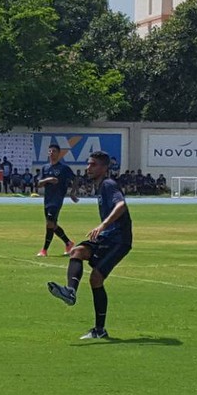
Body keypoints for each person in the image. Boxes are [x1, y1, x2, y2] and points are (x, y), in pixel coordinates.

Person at [47, 150, 132, 340]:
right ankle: (70, 292)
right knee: (77, 251)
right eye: (88, 164)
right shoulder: (100, 186)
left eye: (93, 164)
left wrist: (103, 225)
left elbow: (121, 206)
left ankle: (100, 329)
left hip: (119, 240)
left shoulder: (108, 184)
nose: (88, 168)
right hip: (107, 237)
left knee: (96, 279)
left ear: (104, 167)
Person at [34, 143, 78, 257]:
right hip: (47, 200)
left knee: (50, 223)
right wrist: (48, 179)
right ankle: (68, 243)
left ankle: (44, 250)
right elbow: (39, 184)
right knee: (52, 225)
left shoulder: (64, 168)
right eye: (50, 151)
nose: (51, 153)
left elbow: (75, 179)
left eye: (54, 151)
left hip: (57, 200)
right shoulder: (45, 168)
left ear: (59, 153)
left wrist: (72, 192)